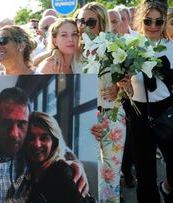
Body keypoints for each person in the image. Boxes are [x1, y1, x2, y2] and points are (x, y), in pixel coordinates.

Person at [0, 87, 89, 202]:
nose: (14, 134)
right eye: (6, 123)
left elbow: (56, 145)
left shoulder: (27, 149)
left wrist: (75, 163)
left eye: (22, 124)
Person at [75, 2, 129, 203]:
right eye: (80, 21)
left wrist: (120, 88)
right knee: (90, 175)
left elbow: (131, 88)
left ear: (102, 23)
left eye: (90, 21)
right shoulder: (74, 51)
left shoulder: (117, 47)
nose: (84, 26)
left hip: (112, 116)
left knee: (111, 176)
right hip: (84, 118)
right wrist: (53, 52)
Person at [129, 0, 173, 202]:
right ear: (141, 21)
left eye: (159, 21)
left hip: (167, 109)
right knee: (145, 174)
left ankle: (166, 189)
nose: (153, 26)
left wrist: (167, 76)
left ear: (165, 21)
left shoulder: (172, 48)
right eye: (148, 21)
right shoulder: (130, 46)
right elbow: (125, 88)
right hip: (139, 111)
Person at [26, 111, 93, 203]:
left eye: (44, 138)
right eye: (31, 138)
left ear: (54, 142)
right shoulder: (30, 168)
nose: (37, 144)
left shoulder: (62, 173)